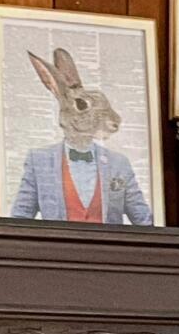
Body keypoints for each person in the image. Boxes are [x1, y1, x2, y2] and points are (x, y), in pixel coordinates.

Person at [10, 49, 154, 225]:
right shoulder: (39, 161)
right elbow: (20, 219)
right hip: (58, 250)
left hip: (108, 250)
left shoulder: (119, 164)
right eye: (82, 105)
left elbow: (144, 221)